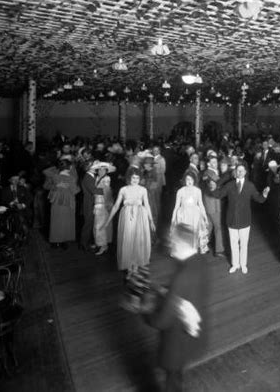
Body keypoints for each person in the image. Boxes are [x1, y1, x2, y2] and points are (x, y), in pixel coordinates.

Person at [146, 224, 208, 392]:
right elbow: (188, 294)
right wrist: (166, 291)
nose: (171, 247)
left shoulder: (181, 278)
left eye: (173, 242)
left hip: (176, 342)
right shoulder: (200, 261)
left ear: (182, 244)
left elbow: (162, 321)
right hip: (192, 334)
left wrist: (145, 310)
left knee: (171, 384)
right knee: (177, 376)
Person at [210, 164, 269, 274]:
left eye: (242, 170)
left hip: (245, 220)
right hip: (231, 220)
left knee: (244, 245)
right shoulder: (229, 185)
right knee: (233, 245)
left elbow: (259, 199)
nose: (240, 172)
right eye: (238, 170)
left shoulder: (250, 186)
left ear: (245, 172)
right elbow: (219, 194)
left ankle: (243, 264)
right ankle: (235, 264)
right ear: (235, 172)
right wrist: (213, 189)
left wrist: (264, 194)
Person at [104, 168, 155, 277]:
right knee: (128, 239)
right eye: (133, 177)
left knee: (137, 239)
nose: (135, 180)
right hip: (127, 217)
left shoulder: (143, 190)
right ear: (129, 178)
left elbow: (147, 205)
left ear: (140, 179)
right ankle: (129, 267)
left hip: (140, 217)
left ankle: (135, 267)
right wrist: (108, 220)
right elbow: (116, 205)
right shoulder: (123, 189)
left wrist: (151, 220)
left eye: (137, 178)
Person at [43, 159, 80, 249]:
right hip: (68, 202)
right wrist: (79, 187)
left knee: (56, 221)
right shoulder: (71, 178)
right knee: (66, 222)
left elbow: (45, 175)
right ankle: (64, 241)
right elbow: (75, 191)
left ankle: (55, 242)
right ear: (69, 167)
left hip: (56, 201)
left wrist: (58, 166)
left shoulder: (55, 176)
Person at [171, 172, 209, 254]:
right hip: (184, 214)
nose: (189, 181)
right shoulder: (180, 191)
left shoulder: (198, 191)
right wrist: (173, 218)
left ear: (194, 180)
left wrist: (205, 216)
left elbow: (201, 204)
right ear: (184, 180)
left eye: (191, 179)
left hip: (195, 215)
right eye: (187, 179)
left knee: (194, 232)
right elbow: (176, 206)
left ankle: (193, 249)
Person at [201, 155, 224, 257]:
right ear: (208, 164)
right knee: (218, 227)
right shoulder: (210, 173)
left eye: (216, 162)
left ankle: (203, 246)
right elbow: (217, 185)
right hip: (213, 204)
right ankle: (219, 250)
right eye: (213, 162)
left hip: (209, 204)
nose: (215, 164)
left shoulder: (208, 173)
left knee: (209, 226)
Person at [91, 162, 115, 256]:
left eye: (103, 169)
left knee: (100, 225)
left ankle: (103, 245)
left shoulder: (106, 178)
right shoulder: (97, 178)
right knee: (97, 224)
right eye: (100, 169)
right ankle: (98, 243)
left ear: (106, 171)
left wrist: (94, 190)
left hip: (102, 204)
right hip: (97, 202)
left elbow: (106, 191)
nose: (101, 171)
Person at [80, 161, 103, 252]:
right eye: (94, 166)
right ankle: (84, 243)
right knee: (88, 224)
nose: (97, 167)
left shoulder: (92, 176)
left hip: (92, 202)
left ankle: (88, 242)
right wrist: (106, 190)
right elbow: (94, 190)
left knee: (91, 223)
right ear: (89, 168)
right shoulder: (88, 177)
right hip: (89, 203)